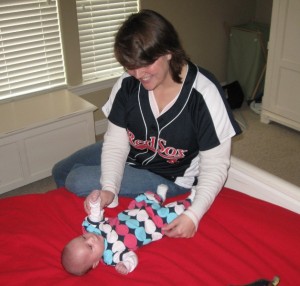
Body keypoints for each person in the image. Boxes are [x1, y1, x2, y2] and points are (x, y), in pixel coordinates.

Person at [52, 9, 241, 239]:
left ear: (169, 52)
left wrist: (194, 214)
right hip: (134, 153)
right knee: (60, 170)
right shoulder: (128, 85)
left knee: (77, 179)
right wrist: (110, 189)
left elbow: (216, 165)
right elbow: (115, 143)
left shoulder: (204, 94)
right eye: (130, 66)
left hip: (169, 177)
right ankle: (76, 212)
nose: (138, 73)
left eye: (146, 64)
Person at [61, 185, 195, 275]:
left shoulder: (91, 228)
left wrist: (95, 202)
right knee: (173, 213)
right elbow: (130, 256)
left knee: (144, 197)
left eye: (83, 238)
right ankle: (191, 199)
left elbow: (95, 214)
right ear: (95, 262)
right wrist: (126, 265)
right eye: (90, 247)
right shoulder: (111, 256)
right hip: (152, 225)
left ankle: (159, 198)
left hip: (135, 211)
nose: (90, 238)